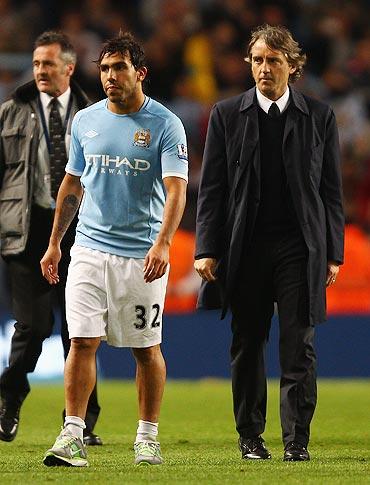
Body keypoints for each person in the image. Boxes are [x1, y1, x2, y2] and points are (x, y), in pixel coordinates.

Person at [194, 24, 344, 462]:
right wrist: (206, 247)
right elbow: (213, 190)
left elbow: (331, 192)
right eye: (257, 60)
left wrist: (334, 251)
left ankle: (297, 440)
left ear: (293, 67)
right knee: (247, 341)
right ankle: (250, 437)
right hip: (247, 246)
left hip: (301, 246)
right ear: (249, 64)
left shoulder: (320, 116)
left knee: (300, 344)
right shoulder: (225, 115)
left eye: (274, 60)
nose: (264, 68)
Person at [40, 31, 188, 467]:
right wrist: (55, 243)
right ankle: (72, 434)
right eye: (104, 69)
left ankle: (147, 436)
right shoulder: (85, 121)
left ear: (139, 72)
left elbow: (176, 190)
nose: (110, 76)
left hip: (141, 255)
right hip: (88, 248)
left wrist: (163, 244)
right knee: (82, 343)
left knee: (146, 349)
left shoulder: (165, 124)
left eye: (119, 67)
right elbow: (72, 183)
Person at [0, 31, 102, 446]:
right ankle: (8, 400)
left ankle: (81, 424)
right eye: (36, 63)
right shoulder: (9, 112)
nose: (40, 71)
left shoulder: (96, 114)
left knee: (82, 332)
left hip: (82, 236)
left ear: (69, 67)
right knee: (33, 326)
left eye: (48, 64)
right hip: (26, 235)